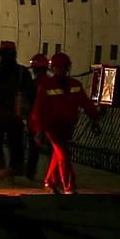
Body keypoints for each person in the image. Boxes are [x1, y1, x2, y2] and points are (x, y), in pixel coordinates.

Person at [30, 52, 101, 194]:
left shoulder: (74, 85)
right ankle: (69, 187)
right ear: (54, 68)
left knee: (58, 155)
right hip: (52, 127)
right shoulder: (47, 86)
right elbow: (39, 109)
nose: (62, 70)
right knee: (63, 155)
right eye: (60, 67)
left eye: (64, 67)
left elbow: (85, 103)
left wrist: (94, 118)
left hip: (67, 126)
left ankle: (49, 181)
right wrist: (39, 130)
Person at [0, 41, 33, 182]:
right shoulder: (22, 71)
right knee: (16, 143)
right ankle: (13, 170)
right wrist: (26, 112)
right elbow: (29, 94)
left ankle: (0, 168)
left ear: (0, 54)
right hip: (14, 115)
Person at [24, 53, 49, 181]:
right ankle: (54, 176)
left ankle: (30, 173)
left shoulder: (32, 84)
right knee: (53, 151)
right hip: (50, 123)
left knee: (33, 150)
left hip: (34, 123)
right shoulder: (52, 82)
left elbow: (27, 103)